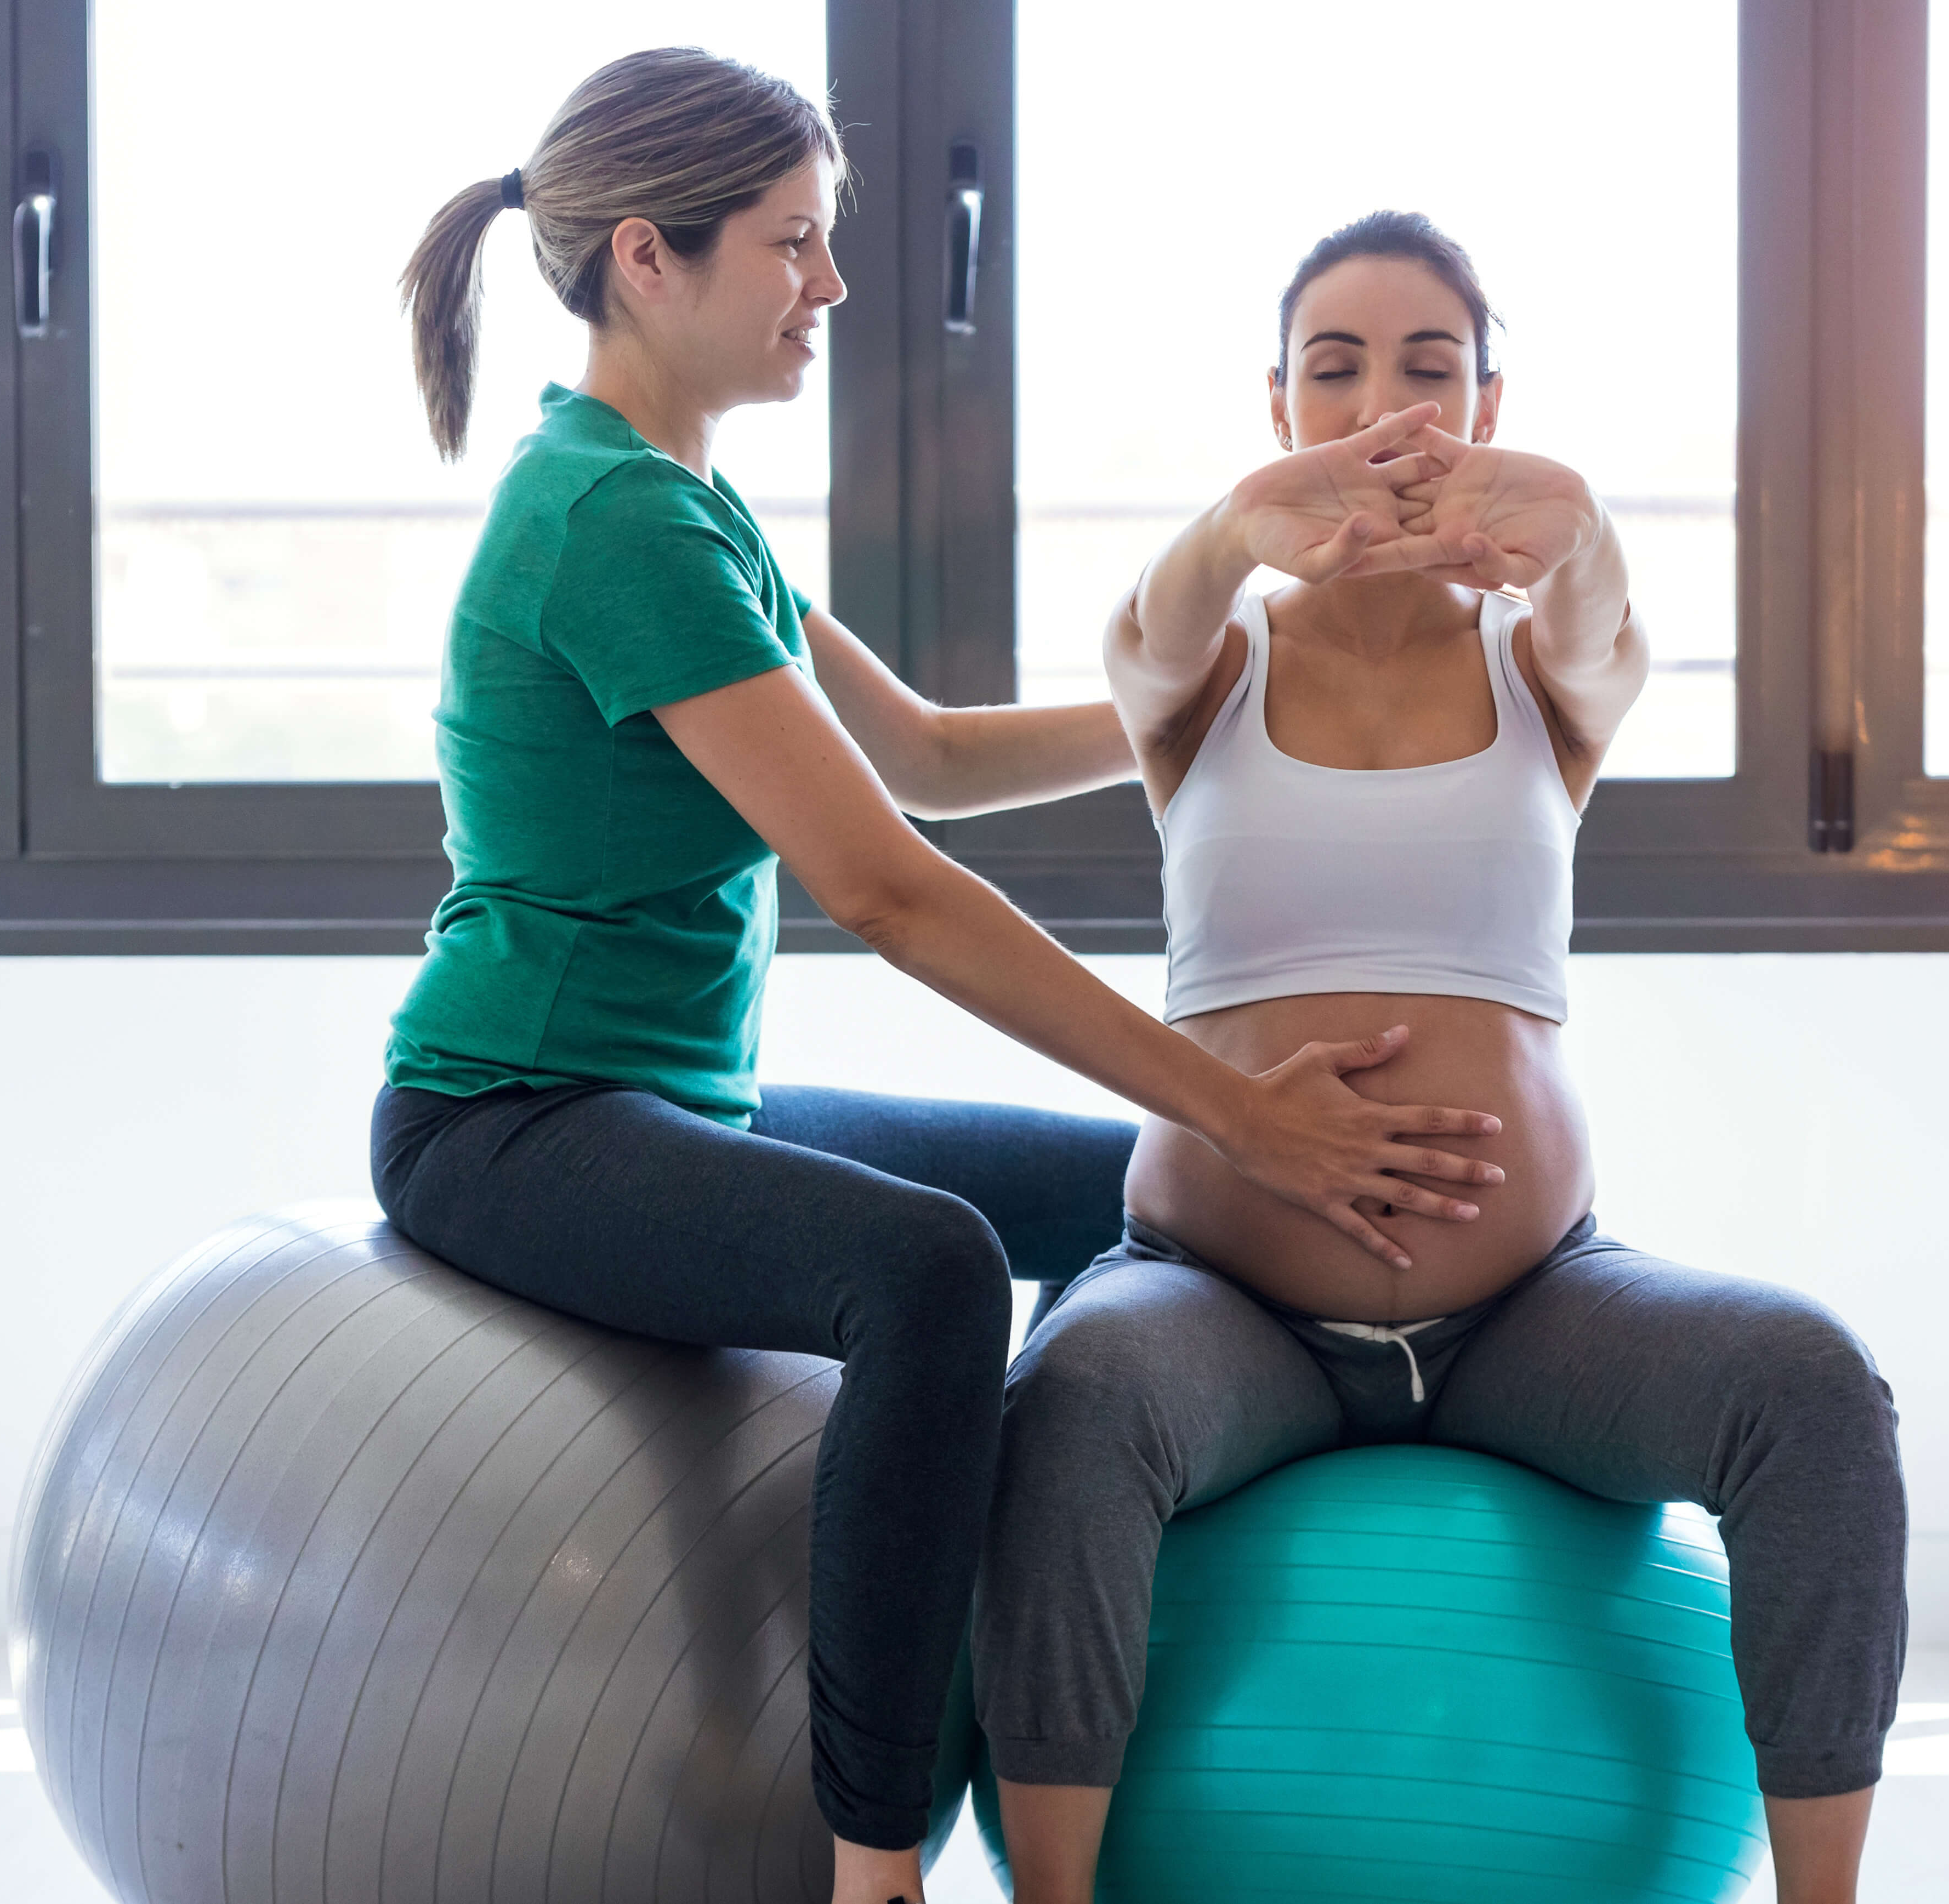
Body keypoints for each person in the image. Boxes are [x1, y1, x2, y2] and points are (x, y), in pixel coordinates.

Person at [367, 58, 1508, 1904]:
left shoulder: (685, 502)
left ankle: (1083, 1621)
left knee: (1119, 1188)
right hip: (510, 1119)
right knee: (931, 1267)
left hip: (667, 1102)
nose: (830, 286)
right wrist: (1229, 1103)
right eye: (794, 244)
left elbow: (930, 752)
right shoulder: (614, 524)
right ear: (648, 261)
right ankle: (875, 1860)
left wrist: (1242, 687)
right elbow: (886, 883)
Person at [970, 212, 1911, 1904]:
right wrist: (1231, 533)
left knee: (1811, 1385)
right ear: (1277, 405)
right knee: (1076, 1398)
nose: (1380, 408)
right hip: (1222, 1308)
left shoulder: (1539, 667)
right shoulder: (1207, 669)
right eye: (1333, 371)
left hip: (1528, 1317)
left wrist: (1581, 528)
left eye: (1426, 368)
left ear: (1484, 399)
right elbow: (1142, 637)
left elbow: (1609, 627)